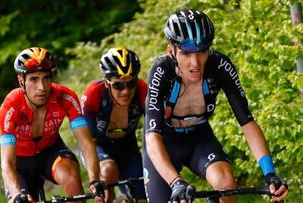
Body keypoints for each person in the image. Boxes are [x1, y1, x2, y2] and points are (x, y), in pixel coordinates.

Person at [142, 8, 289, 203]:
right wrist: (176, 182)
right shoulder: (161, 70)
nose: (195, 63)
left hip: (199, 137)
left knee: (226, 184)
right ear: (172, 51)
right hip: (164, 142)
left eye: (202, 51)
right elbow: (152, 137)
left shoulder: (219, 65)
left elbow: (247, 123)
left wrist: (270, 173)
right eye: (186, 53)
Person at [0, 47, 104, 203]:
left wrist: (95, 180)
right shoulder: (11, 106)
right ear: (21, 80)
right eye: (34, 79)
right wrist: (16, 194)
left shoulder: (65, 97)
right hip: (19, 162)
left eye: (46, 78)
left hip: (51, 153)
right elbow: (7, 161)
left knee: (71, 176)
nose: (42, 87)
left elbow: (86, 144)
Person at [79, 47, 147, 202]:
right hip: (98, 145)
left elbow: (155, 131)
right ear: (107, 82)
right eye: (118, 85)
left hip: (127, 147)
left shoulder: (143, 91)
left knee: (141, 197)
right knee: (108, 171)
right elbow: (87, 142)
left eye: (131, 84)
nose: (125, 91)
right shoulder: (93, 94)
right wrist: (95, 180)